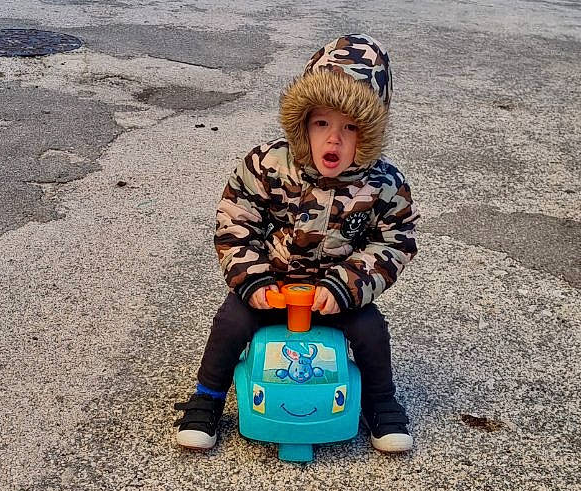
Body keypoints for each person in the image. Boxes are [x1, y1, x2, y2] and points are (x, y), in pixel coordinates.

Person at [175, 33, 419, 454]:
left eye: (351, 128)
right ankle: (208, 397)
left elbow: (393, 241)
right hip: (272, 288)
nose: (334, 140)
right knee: (231, 323)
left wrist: (347, 287)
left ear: (371, 132)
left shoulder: (384, 183)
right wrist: (252, 281)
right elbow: (237, 220)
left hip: (336, 296)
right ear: (302, 122)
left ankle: (381, 403)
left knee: (371, 330)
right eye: (322, 123)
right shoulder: (267, 165)